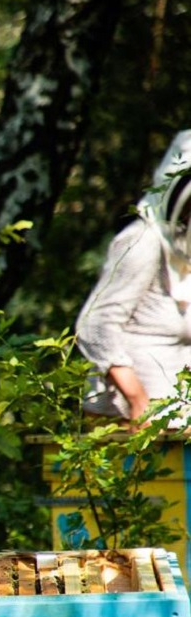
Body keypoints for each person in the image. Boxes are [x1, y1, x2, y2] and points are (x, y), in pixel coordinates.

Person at [76, 131, 191, 423]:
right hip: (129, 423)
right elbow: (96, 325)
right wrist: (137, 400)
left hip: (176, 418)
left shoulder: (184, 248)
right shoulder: (142, 241)